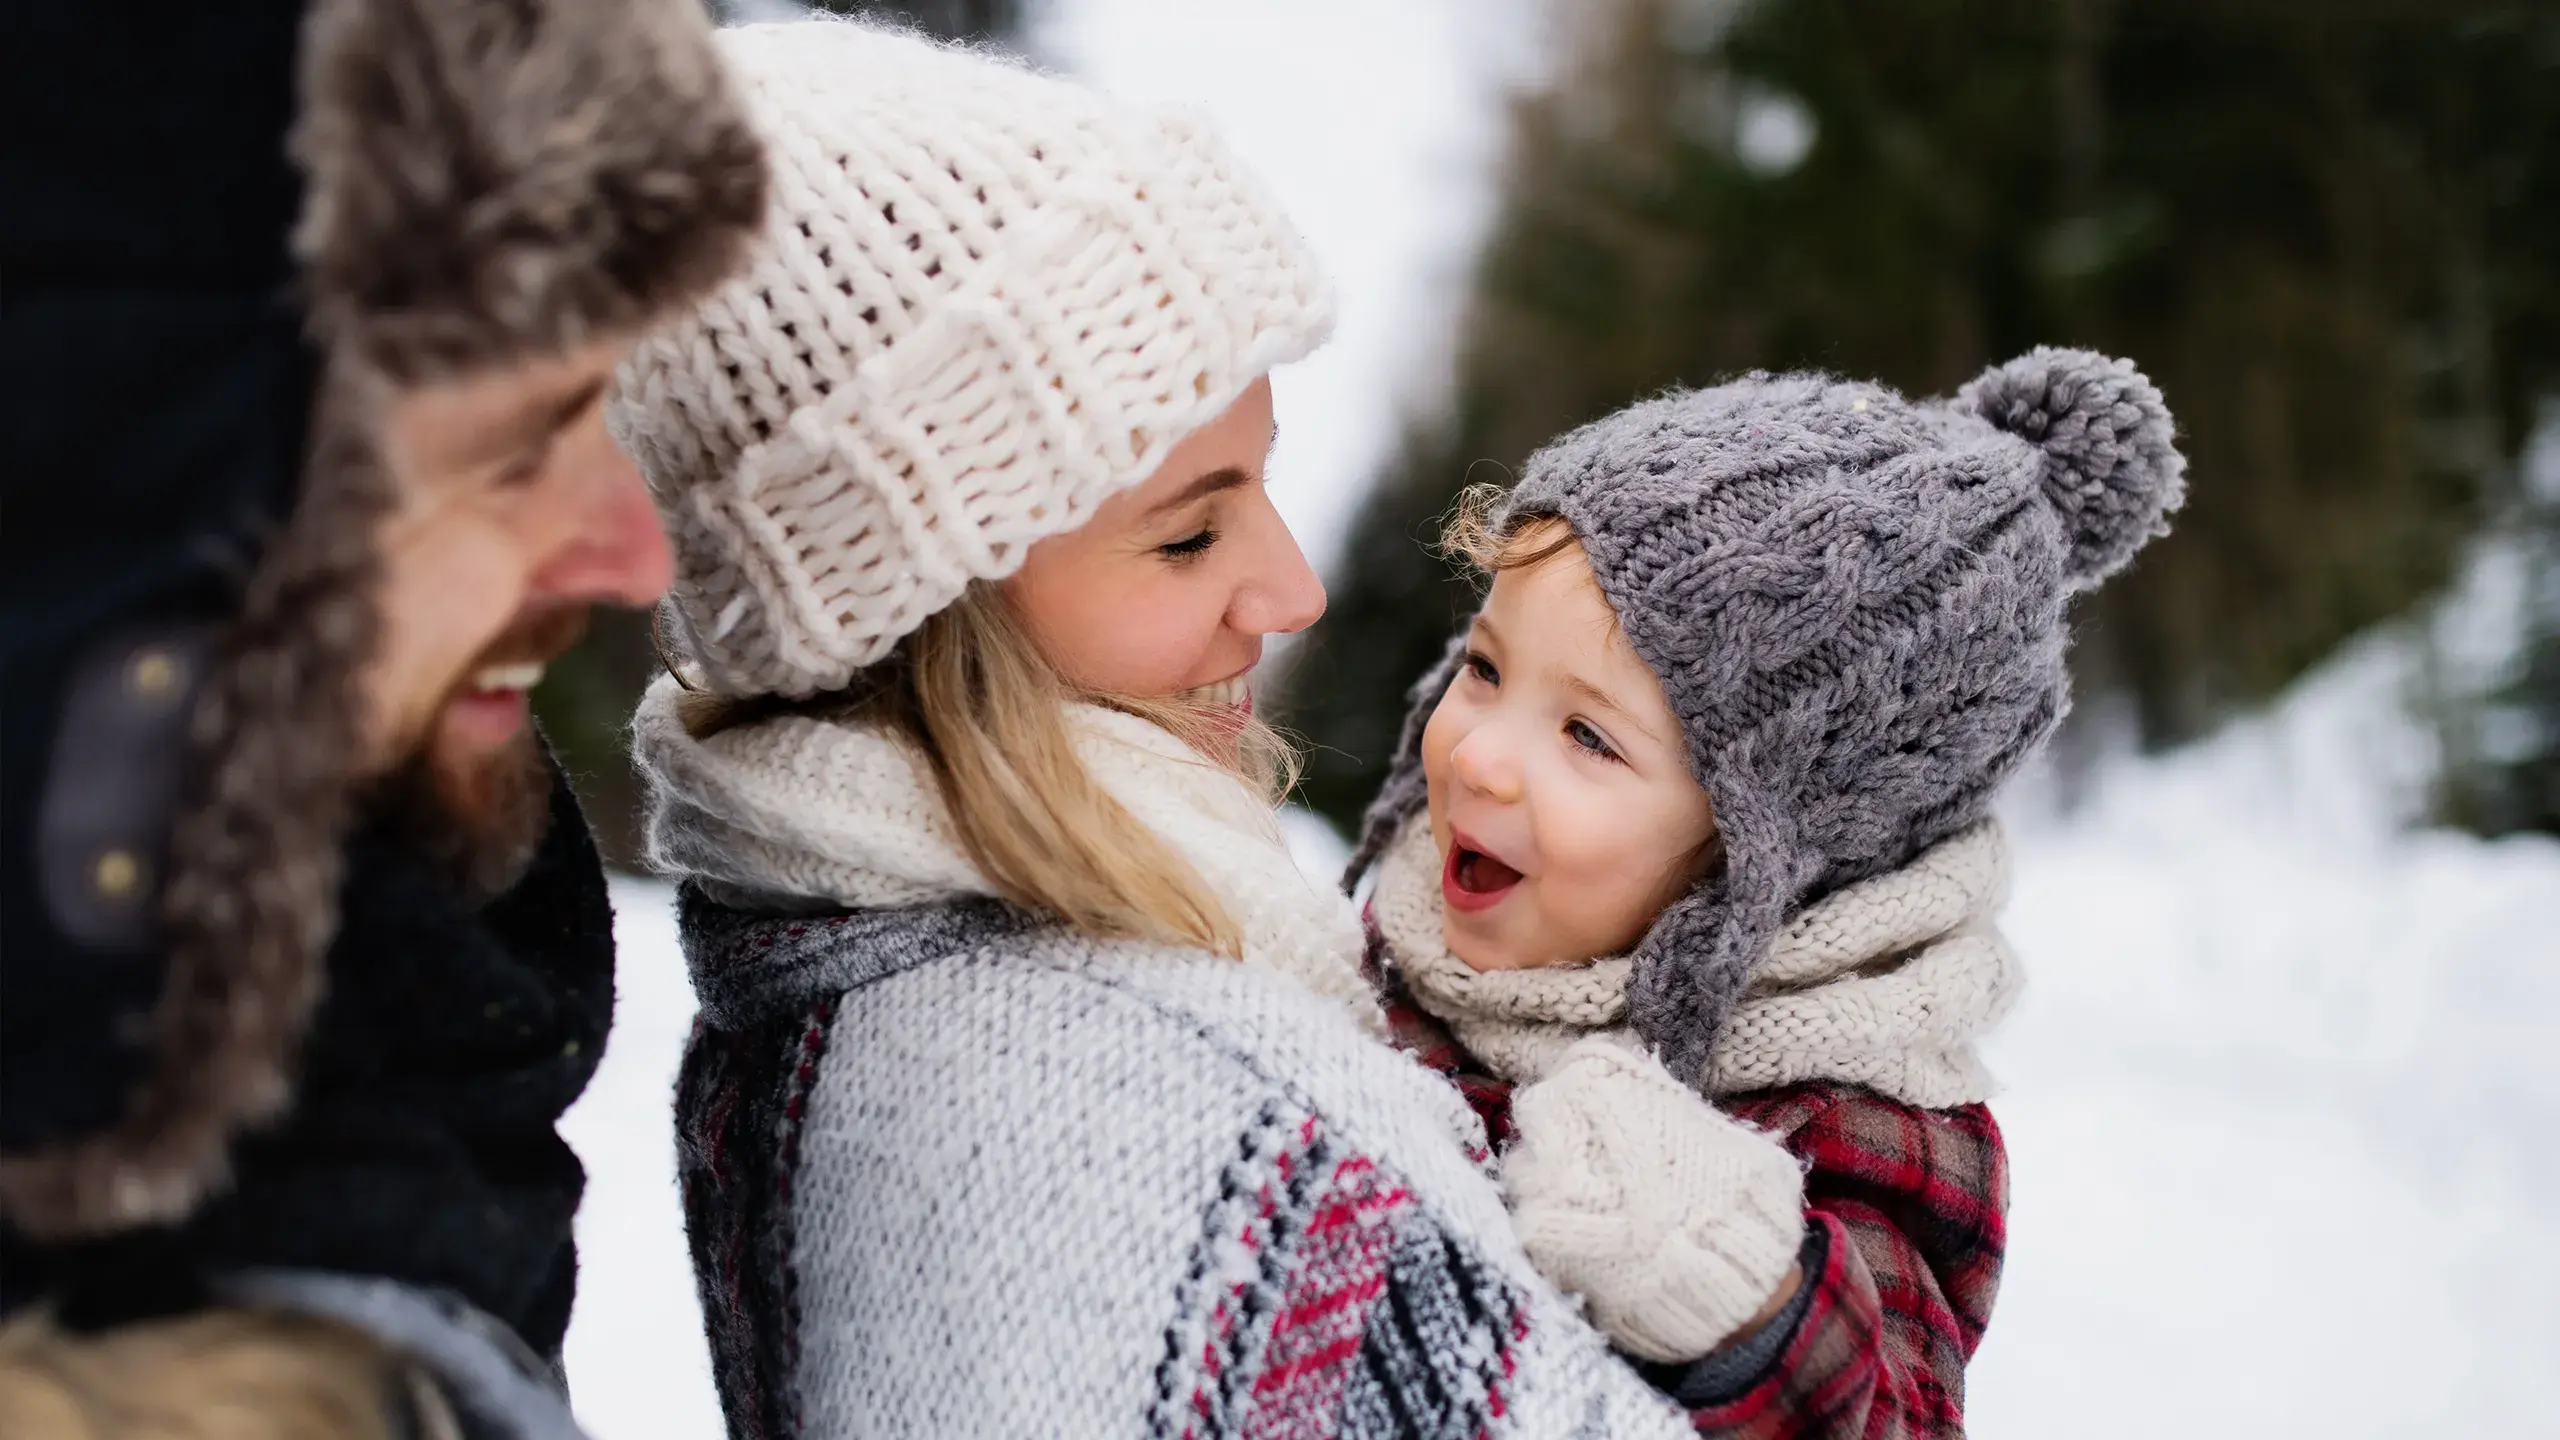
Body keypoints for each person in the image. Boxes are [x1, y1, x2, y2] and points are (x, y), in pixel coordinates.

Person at [617, 19, 1740, 1437]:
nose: (1291, 590)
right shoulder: (1143, 1112)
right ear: (925, 617)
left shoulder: (837, 985)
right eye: (1188, 536)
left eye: (1262, 484)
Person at [1, 0, 766, 1431]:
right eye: (516, 445)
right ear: (136, 518)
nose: (635, 557)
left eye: (603, 412)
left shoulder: (414, 1086)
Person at [1343, 350, 2189, 1434]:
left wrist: (1736, 1299)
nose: (1476, 758)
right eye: (1486, 669)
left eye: (1589, 736)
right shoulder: (1398, 938)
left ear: (1772, 852)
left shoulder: (1847, 1122)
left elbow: (1894, 1416)